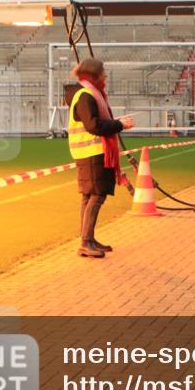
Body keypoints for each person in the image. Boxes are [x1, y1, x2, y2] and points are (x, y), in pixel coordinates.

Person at [68, 58, 134, 258]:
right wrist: (119, 125)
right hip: (92, 153)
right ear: (94, 75)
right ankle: (86, 242)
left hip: (89, 153)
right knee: (96, 195)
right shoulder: (86, 96)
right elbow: (94, 126)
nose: (105, 76)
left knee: (89, 196)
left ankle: (88, 239)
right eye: (103, 72)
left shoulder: (85, 93)